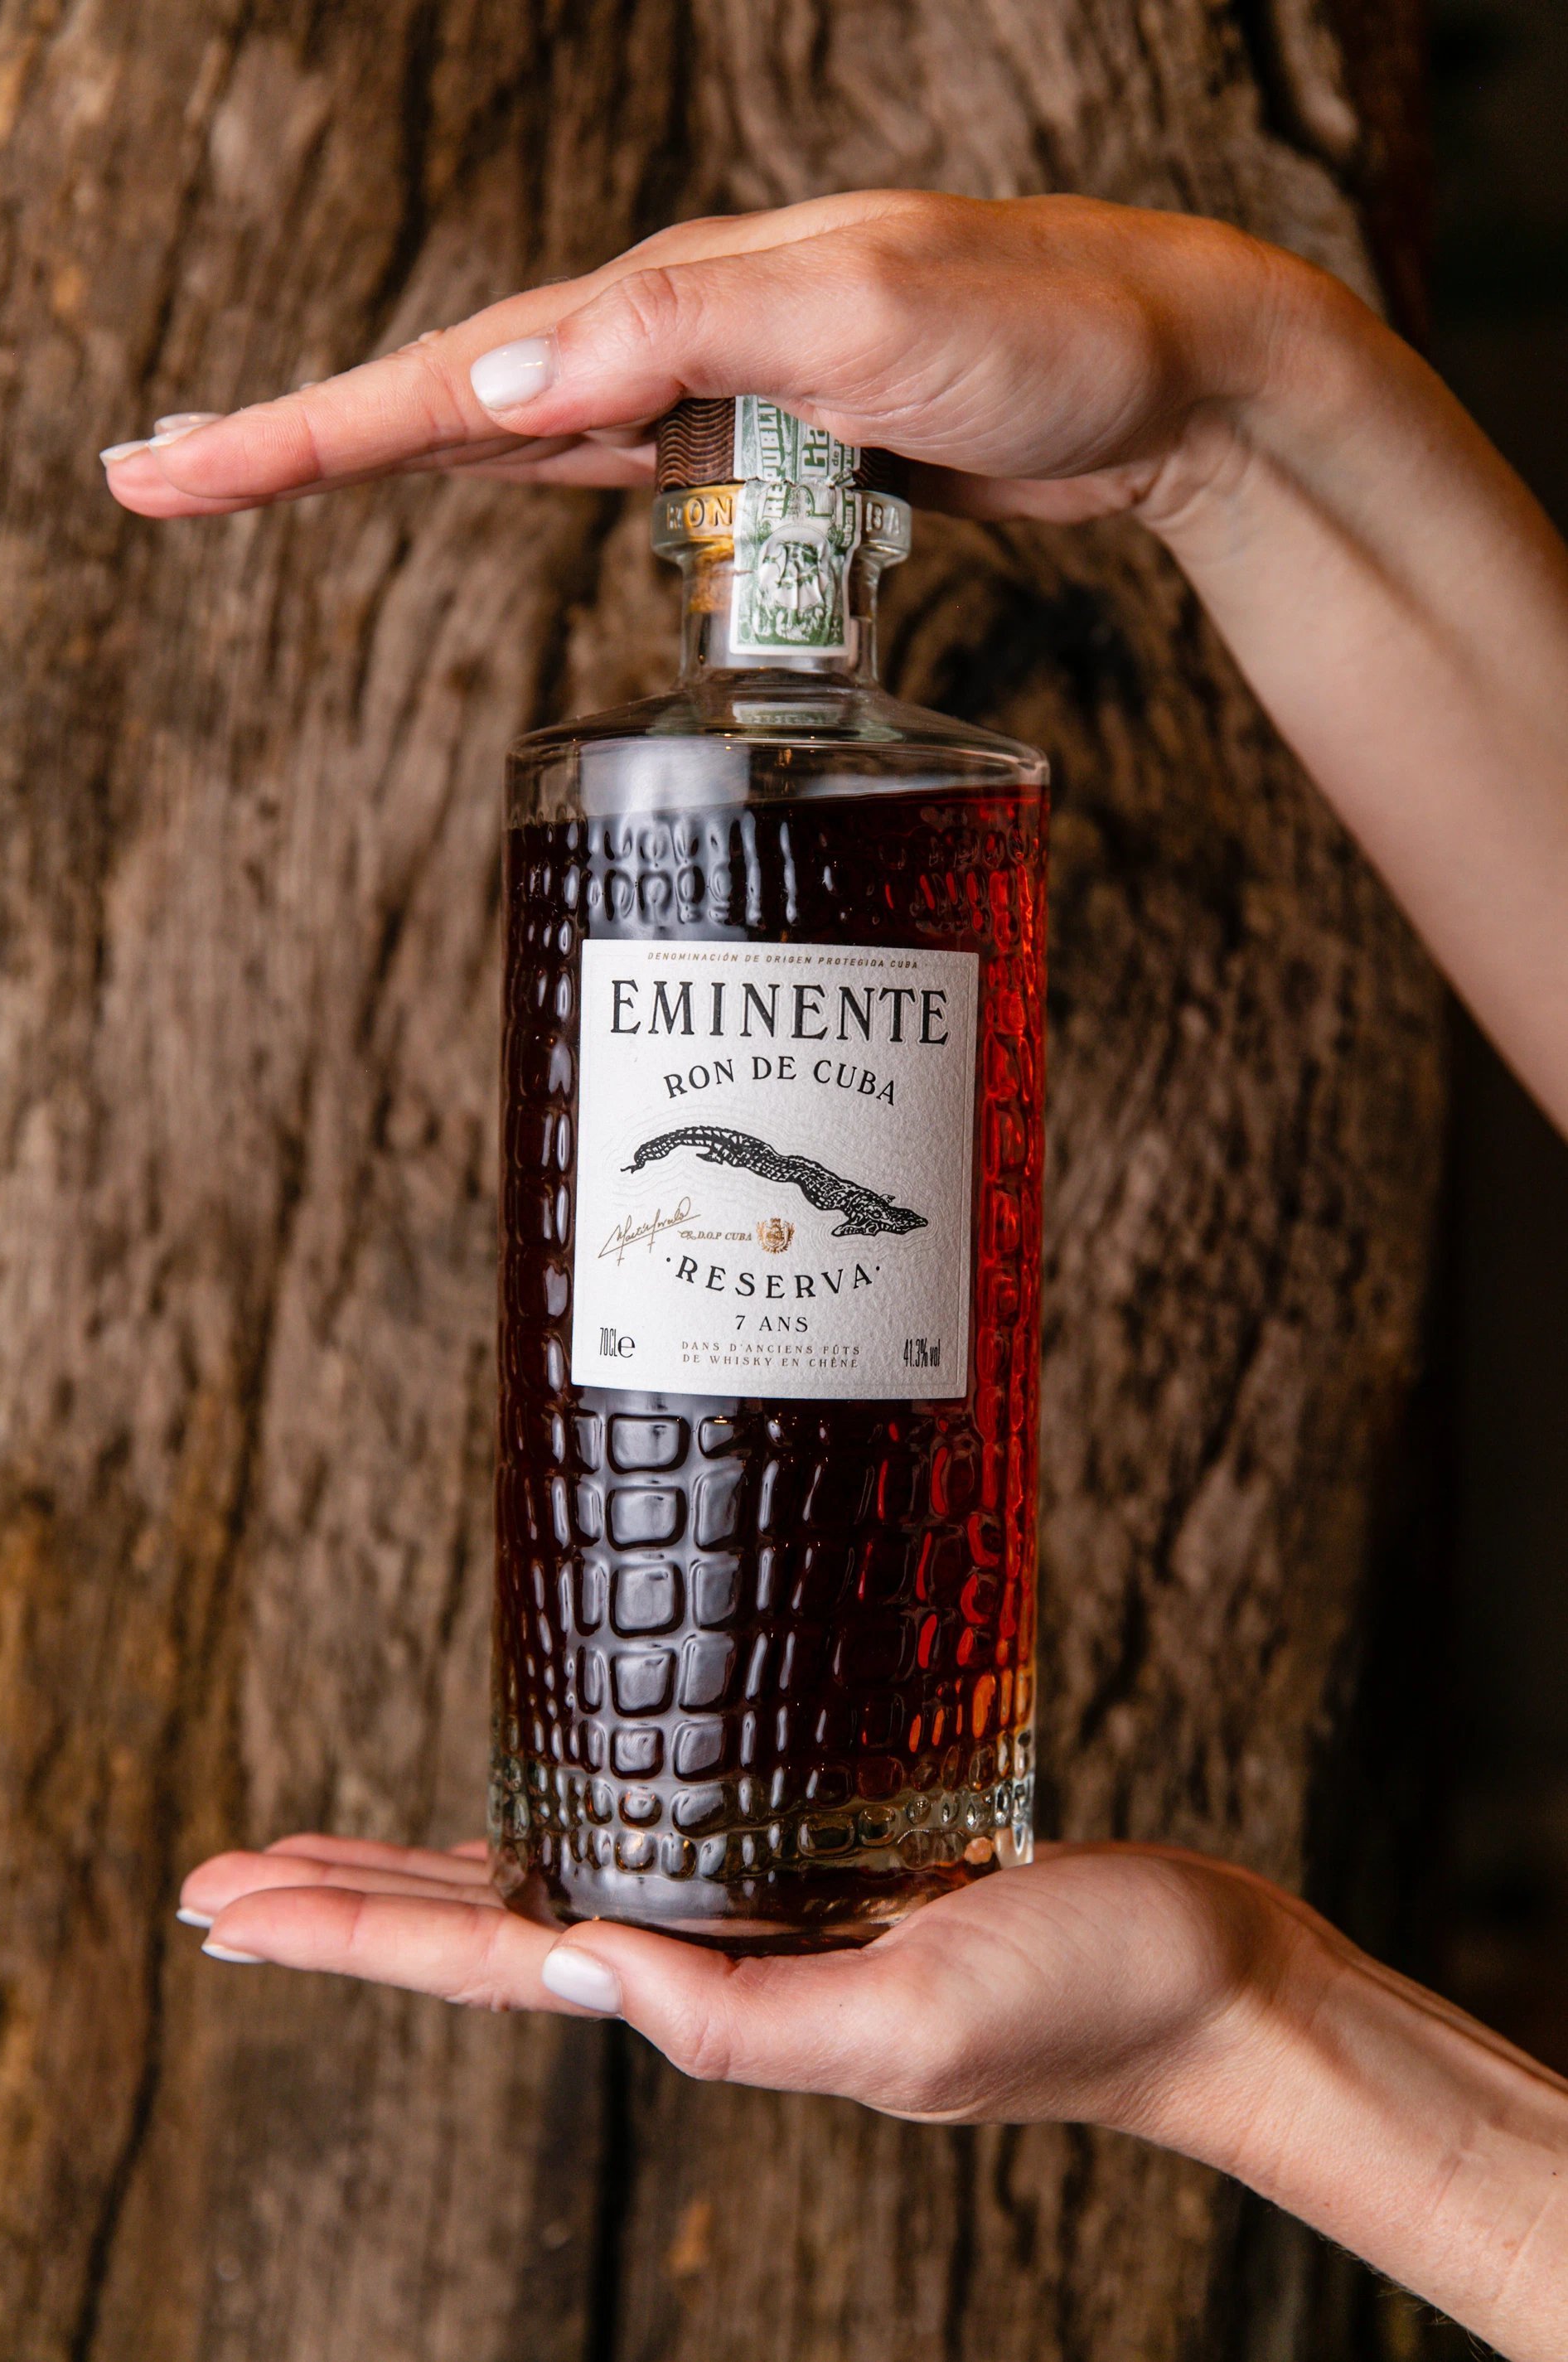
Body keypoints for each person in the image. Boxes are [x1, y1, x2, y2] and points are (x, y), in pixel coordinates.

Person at [103, 192, 1568, 2358]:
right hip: (620, 1698)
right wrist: (1230, 399)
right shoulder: (626, 782)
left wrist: (1242, 2032)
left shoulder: (952, 790)